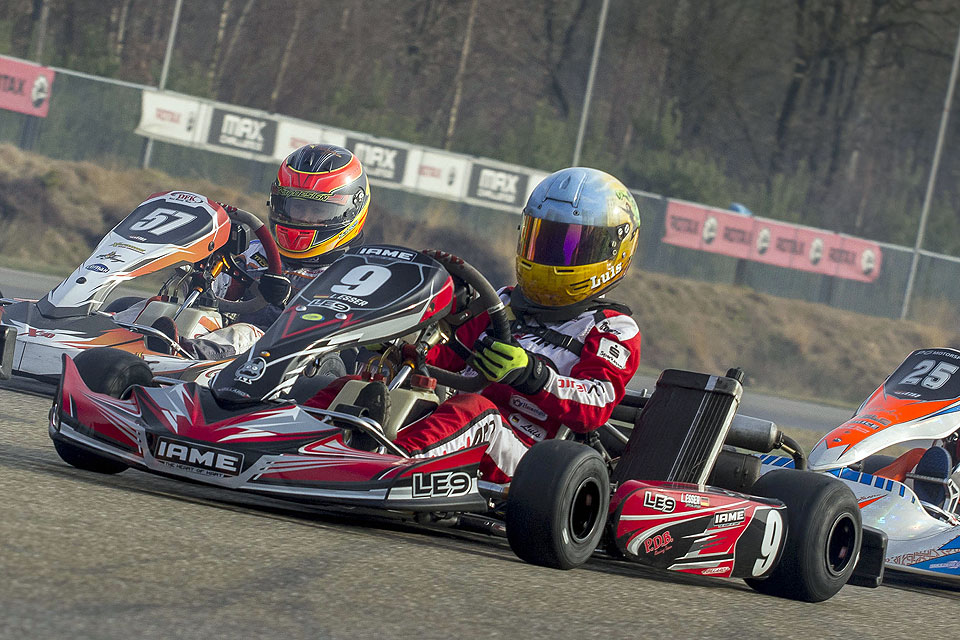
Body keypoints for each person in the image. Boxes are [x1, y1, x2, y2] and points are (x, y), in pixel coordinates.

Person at [307, 167, 642, 483]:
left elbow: (597, 405)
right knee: (355, 386)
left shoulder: (612, 329)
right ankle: (280, 446)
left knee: (477, 411)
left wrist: (532, 375)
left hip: (532, 460)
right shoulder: (504, 304)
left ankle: (380, 470)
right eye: (543, 241)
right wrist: (400, 349)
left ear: (612, 252)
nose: (549, 256)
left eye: (569, 246)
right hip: (453, 421)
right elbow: (443, 359)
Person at [130, 143, 371, 360]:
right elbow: (212, 300)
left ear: (350, 210)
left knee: (247, 334)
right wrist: (202, 272)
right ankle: (111, 336)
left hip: (287, 363)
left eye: (316, 211)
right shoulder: (256, 252)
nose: (302, 218)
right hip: (220, 348)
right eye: (294, 207)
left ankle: (181, 353)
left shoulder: (355, 274)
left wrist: (287, 301)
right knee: (142, 306)